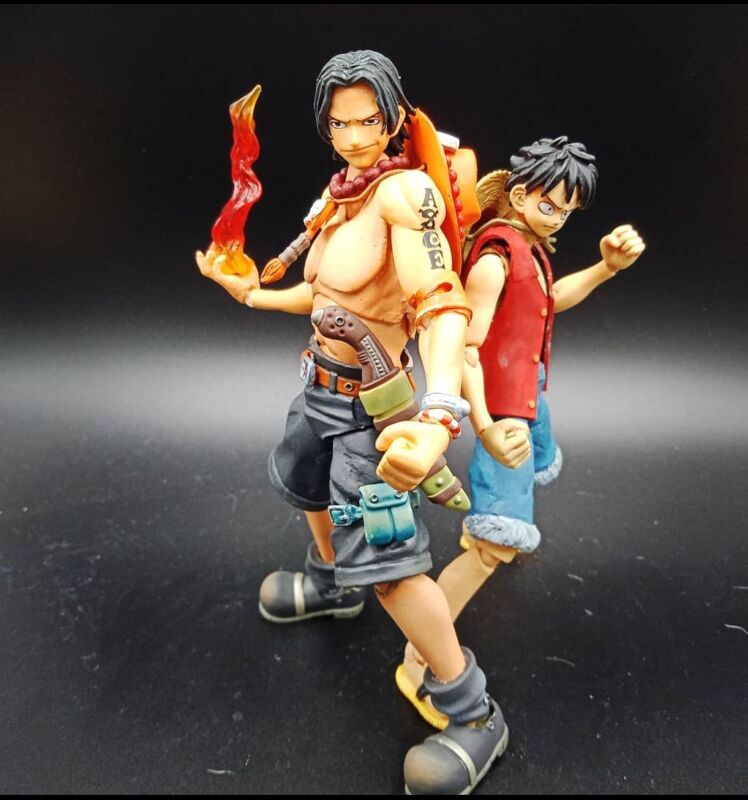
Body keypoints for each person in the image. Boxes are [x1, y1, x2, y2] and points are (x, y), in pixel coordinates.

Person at [196, 50, 508, 795]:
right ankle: (333, 585)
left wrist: (439, 413)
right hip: (319, 392)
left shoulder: (406, 197)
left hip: (376, 417)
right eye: (340, 124)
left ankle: (473, 711)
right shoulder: (341, 195)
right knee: (307, 487)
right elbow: (325, 296)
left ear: (394, 119)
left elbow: (440, 303)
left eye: (368, 121)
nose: (354, 136)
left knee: (393, 571)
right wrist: (250, 295)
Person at [397, 136, 646, 728]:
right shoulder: (494, 259)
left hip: (527, 396)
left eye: (566, 211)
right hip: (503, 411)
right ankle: (419, 657)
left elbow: (550, 301)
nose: (556, 217)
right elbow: (466, 349)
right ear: (517, 193)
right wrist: (483, 426)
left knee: (523, 488)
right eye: (548, 204)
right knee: (494, 546)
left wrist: (606, 268)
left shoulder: (527, 248)